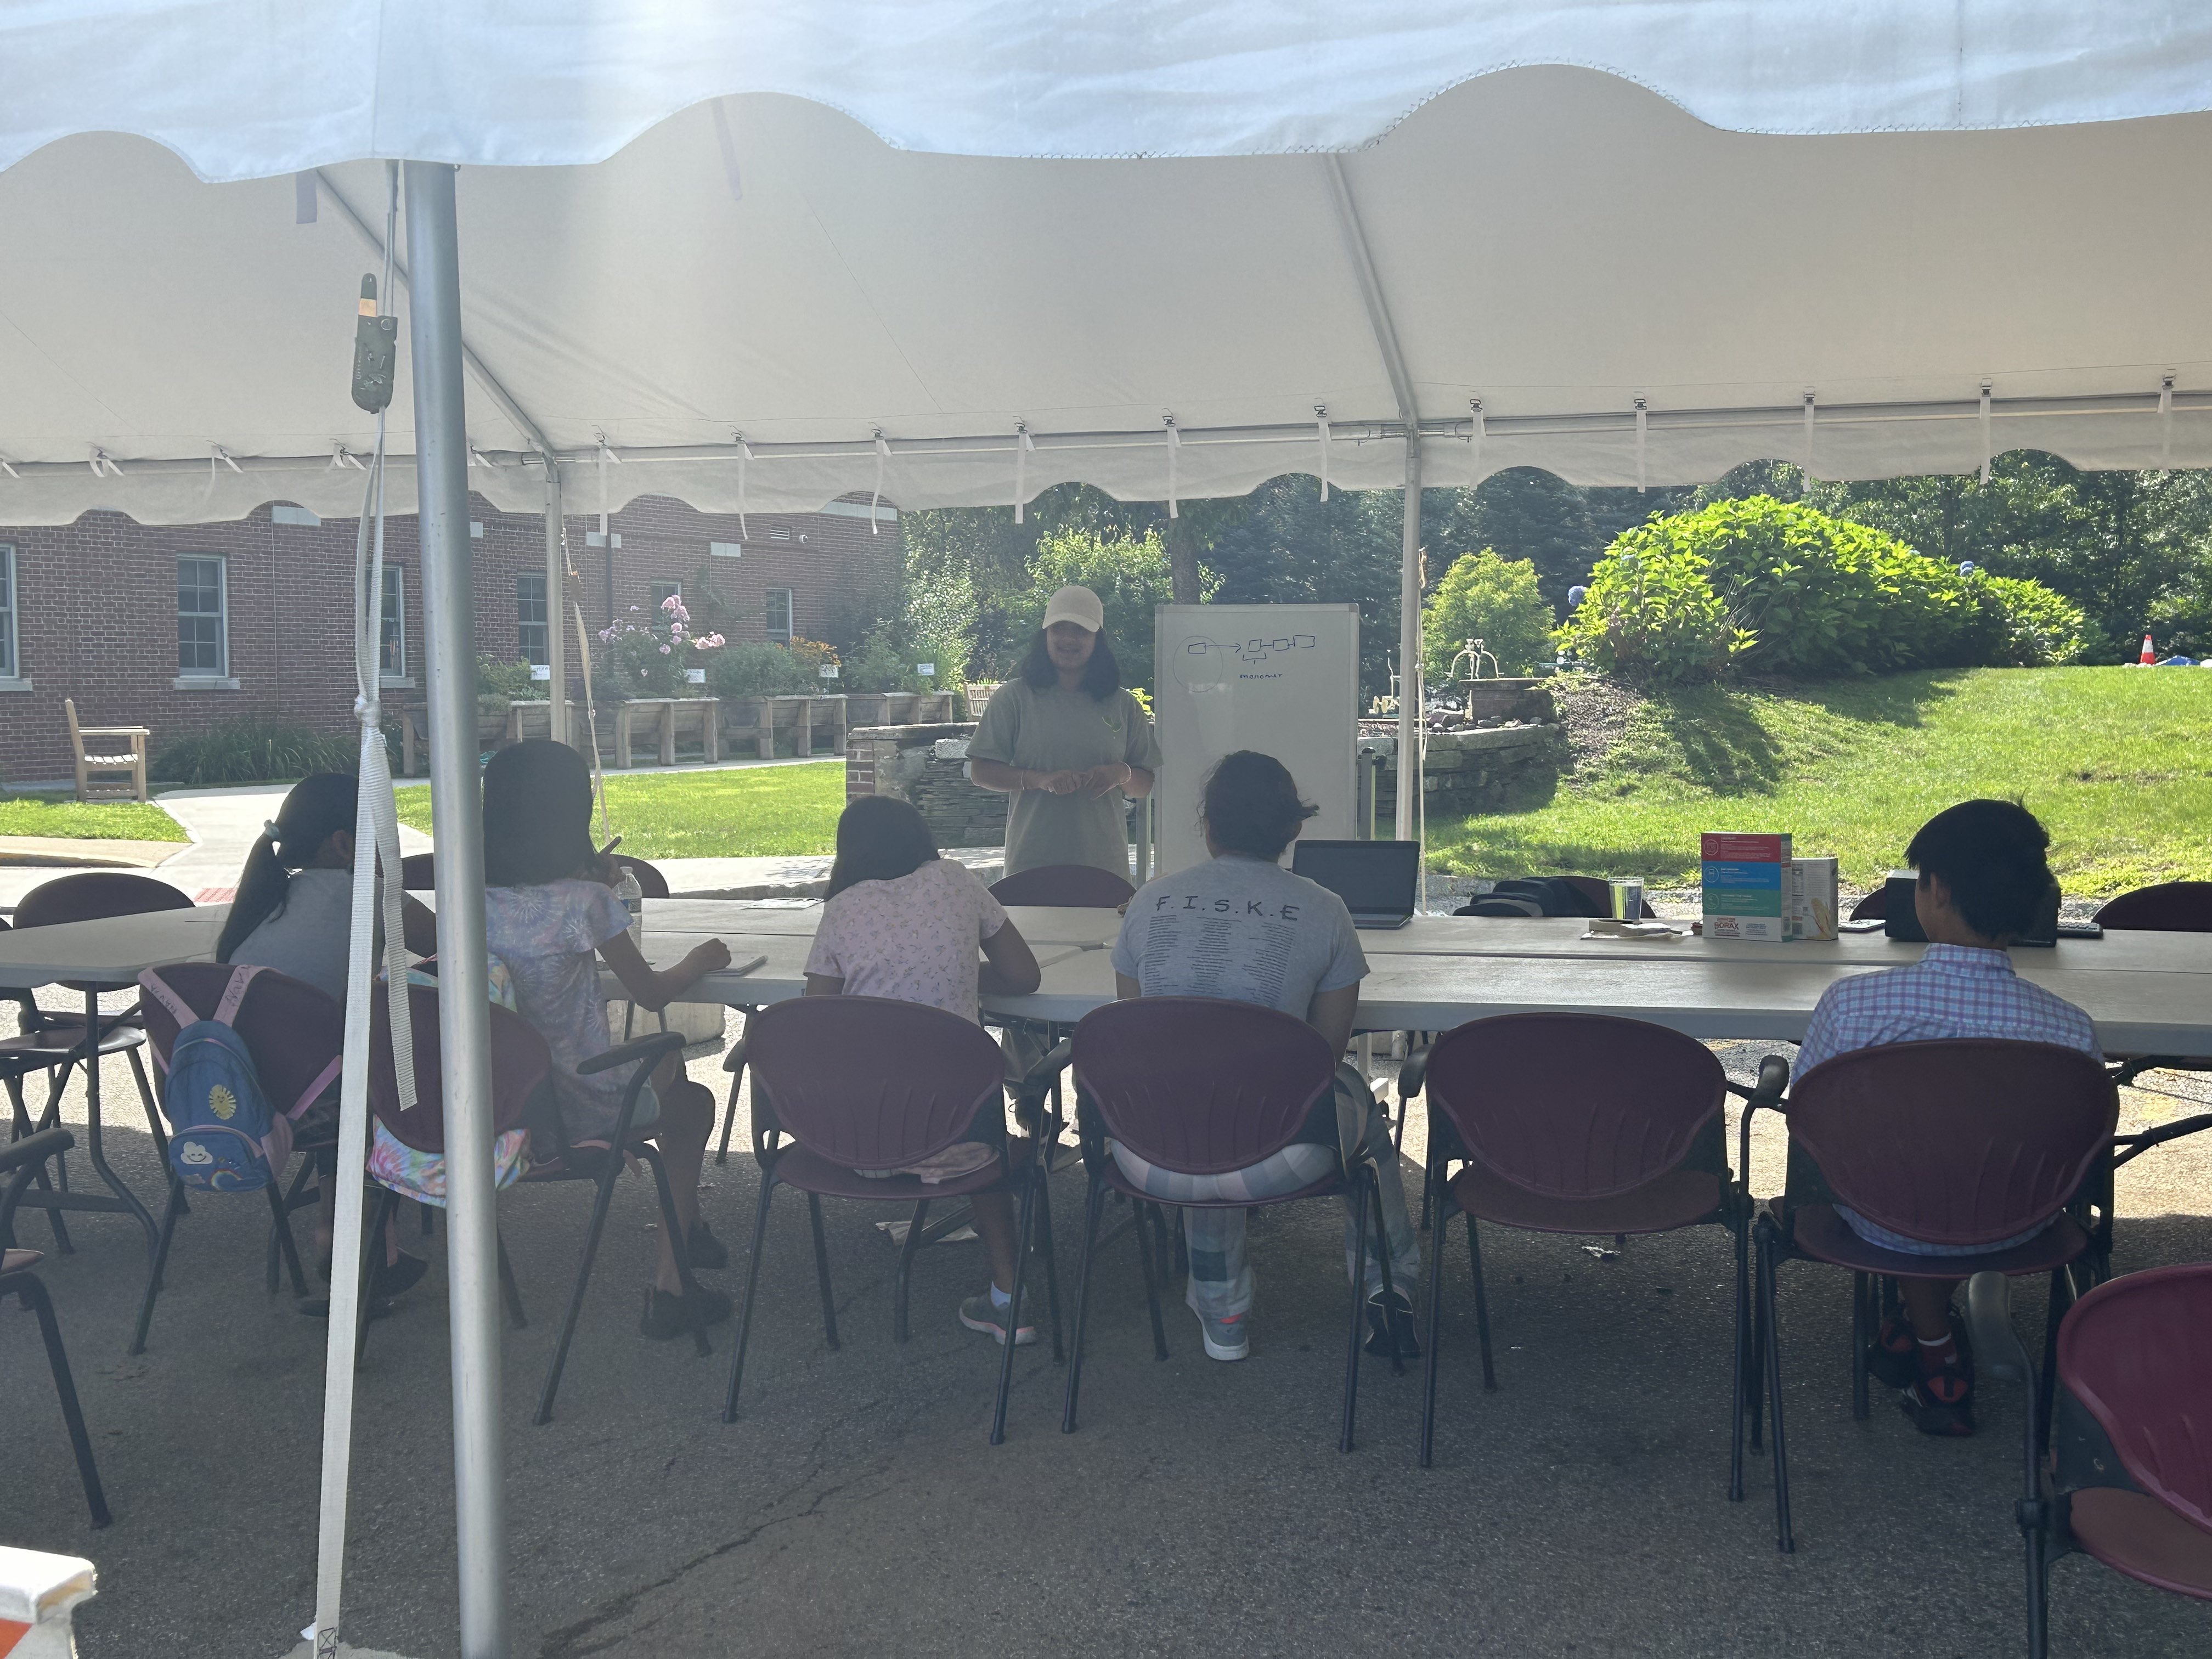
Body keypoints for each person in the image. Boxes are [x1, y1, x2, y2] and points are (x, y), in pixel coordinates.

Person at [1794, 799, 2098, 1437]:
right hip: (2018, 1222)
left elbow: (1809, 1121)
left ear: (1934, 890)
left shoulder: (1854, 1007)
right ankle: (1921, 1336)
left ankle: (1927, 1342)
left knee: (1912, 1172)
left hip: (1879, 1215)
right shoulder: (2070, 1033)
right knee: (1958, 1170)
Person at [1108, 750, 1421, 1362]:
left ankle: (1224, 1316)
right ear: (1294, 829)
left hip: (1145, 1153)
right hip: (1281, 1158)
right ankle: (1389, 1283)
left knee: (1194, 1101)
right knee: (1344, 1110)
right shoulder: (1325, 909)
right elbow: (1323, 1057)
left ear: (1207, 826)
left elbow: (1133, 1033)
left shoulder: (1149, 902)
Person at [478, 740, 734, 1340]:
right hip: (580, 1103)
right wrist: (701, 959)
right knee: (692, 1106)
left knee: (668, 1057)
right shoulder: (586, 902)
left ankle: (686, 1221)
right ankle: (672, 1283)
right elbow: (650, 991)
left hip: (506, 1100)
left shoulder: (468, 897)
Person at [802, 795, 1044, 1345]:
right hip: (963, 1142)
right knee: (969, 1077)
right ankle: (1010, 1296)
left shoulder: (842, 910)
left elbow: (814, 1014)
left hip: (861, 1142)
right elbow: (1024, 976)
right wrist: (954, 971)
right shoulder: (957, 882)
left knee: (917, 1071)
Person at [216, 771, 441, 1307]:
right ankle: (368, 1251)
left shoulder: (268, 900)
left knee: (340, 1068)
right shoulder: (368, 896)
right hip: (318, 1102)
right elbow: (460, 948)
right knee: (394, 1081)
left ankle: (339, 1242)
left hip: (248, 1097)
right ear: (345, 844)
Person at [968, 584, 1161, 882]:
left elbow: (1144, 784)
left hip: (1104, 866)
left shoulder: (1124, 705)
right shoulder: (1014, 698)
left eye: (1081, 631)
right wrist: (1038, 780)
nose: (1069, 639)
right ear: (1045, 635)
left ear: (1098, 639)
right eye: (1059, 629)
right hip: (1031, 862)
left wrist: (1120, 774)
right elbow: (980, 772)